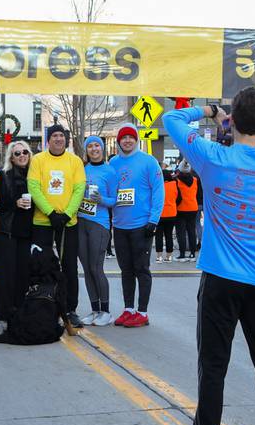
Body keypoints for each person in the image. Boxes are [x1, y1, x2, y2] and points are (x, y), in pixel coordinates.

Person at [164, 87, 255, 425]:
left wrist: (208, 111)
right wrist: (235, 125)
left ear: (232, 120)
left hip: (221, 278)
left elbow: (171, 120)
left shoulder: (213, 158)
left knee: (213, 365)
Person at [28, 123, 86, 329]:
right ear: (48, 140)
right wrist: (50, 213)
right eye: (55, 136)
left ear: (66, 139)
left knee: (69, 266)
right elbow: (33, 187)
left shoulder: (75, 161)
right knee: (41, 266)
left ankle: (70, 309)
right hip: (43, 222)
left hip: (68, 223)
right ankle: (43, 304)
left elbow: (79, 189)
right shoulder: (38, 160)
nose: (59, 139)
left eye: (62, 135)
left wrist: (67, 214)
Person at [110, 124, 164, 328]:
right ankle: (128, 309)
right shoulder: (113, 162)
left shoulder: (148, 162)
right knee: (126, 270)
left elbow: (158, 191)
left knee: (142, 269)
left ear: (136, 140)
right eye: (123, 138)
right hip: (120, 225)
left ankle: (142, 312)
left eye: (131, 137)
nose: (127, 141)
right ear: (118, 141)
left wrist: (154, 220)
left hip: (142, 225)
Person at [0, 140, 35, 332]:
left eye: (24, 152)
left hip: (27, 233)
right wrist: (14, 203)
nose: (22, 156)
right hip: (7, 232)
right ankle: (4, 315)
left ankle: (19, 312)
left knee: (23, 276)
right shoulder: (4, 176)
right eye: (17, 153)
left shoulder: (34, 175)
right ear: (11, 157)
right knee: (6, 277)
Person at [77, 136, 116, 327]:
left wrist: (101, 198)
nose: (94, 149)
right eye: (90, 146)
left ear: (102, 148)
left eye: (96, 146)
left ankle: (106, 311)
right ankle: (94, 309)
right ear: (86, 150)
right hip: (80, 222)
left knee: (96, 267)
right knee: (86, 269)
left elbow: (113, 200)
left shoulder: (110, 171)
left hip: (99, 224)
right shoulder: (82, 169)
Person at [175, 159, 199, 262]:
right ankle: (193, 254)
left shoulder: (176, 180)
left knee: (181, 232)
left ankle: (182, 254)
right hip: (193, 208)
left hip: (180, 209)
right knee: (192, 231)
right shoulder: (195, 180)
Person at [155, 168, 179, 262]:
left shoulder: (158, 185)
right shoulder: (174, 185)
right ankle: (169, 256)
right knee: (169, 235)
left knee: (159, 236)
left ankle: (159, 256)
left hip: (159, 214)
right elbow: (179, 198)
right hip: (172, 213)